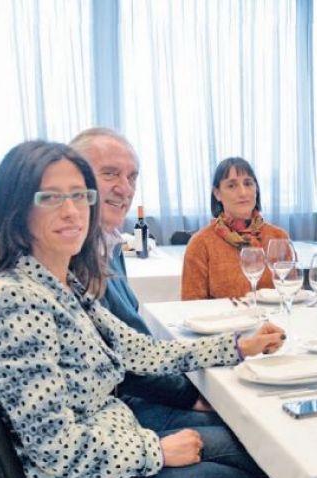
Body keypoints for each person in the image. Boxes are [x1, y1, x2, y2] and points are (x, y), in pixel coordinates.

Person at [0, 141, 293, 478]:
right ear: (15, 209)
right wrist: (156, 451)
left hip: (110, 463)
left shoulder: (57, 283)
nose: (72, 210)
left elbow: (141, 352)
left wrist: (237, 346)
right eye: (51, 198)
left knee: (261, 451)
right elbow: (56, 450)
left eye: (80, 195)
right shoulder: (15, 301)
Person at [70, 128, 216, 428]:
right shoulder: (69, 259)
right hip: (114, 413)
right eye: (110, 173)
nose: (125, 188)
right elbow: (128, 362)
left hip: (125, 399)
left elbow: (131, 342)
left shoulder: (109, 243)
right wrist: (192, 397)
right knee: (248, 441)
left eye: (132, 177)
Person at [182, 157, 289, 300]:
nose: (243, 192)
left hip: (272, 321)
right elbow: (191, 305)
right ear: (217, 193)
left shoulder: (278, 237)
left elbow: (292, 296)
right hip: (222, 321)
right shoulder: (201, 243)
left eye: (248, 183)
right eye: (232, 185)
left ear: (256, 189)